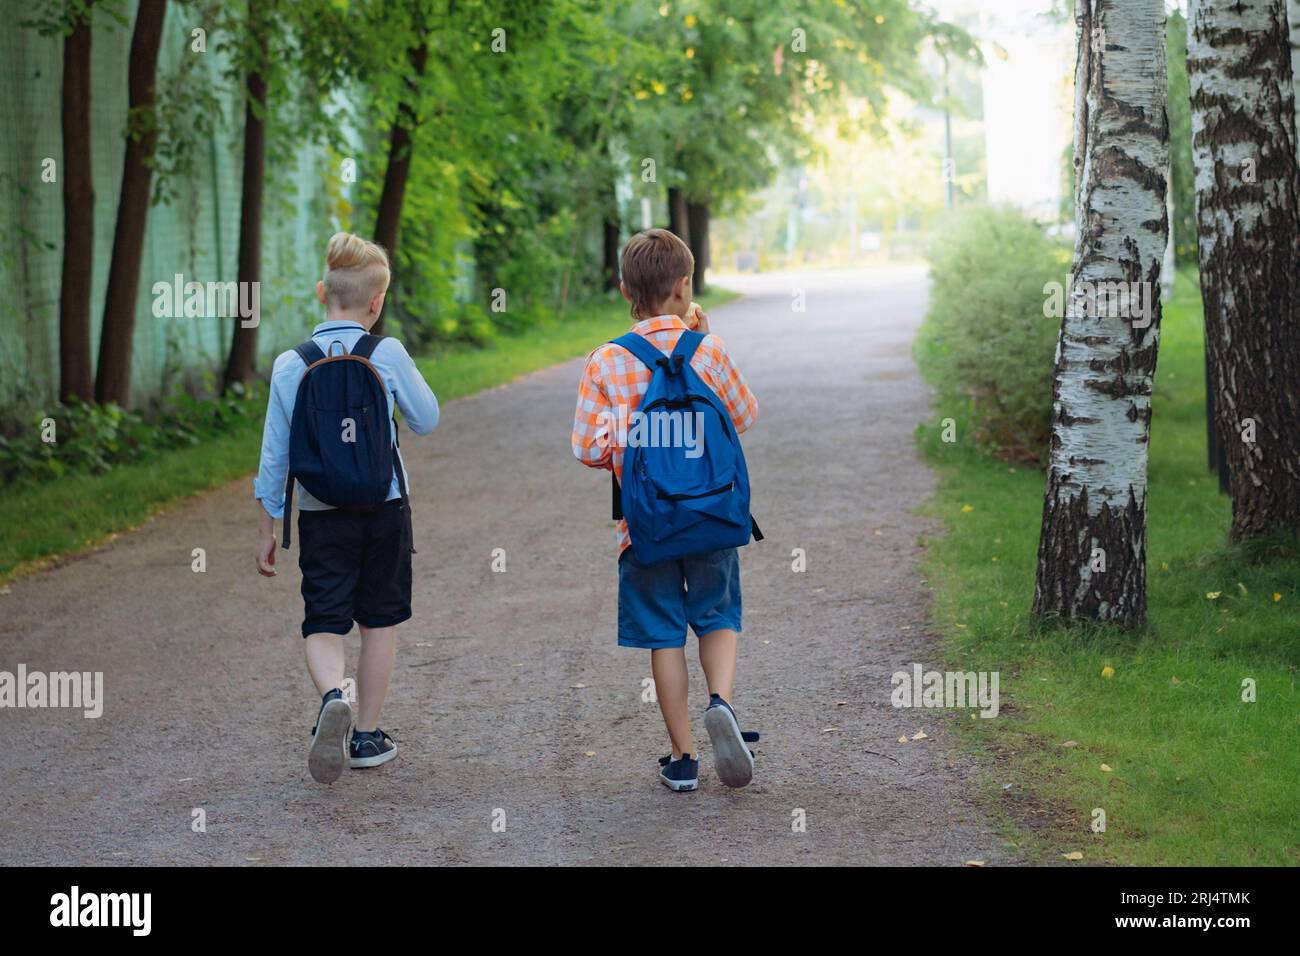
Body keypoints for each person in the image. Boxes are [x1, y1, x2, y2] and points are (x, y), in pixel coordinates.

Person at [571, 228, 761, 792]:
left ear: (627, 290)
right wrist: (703, 341)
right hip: (712, 517)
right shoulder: (711, 350)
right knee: (717, 613)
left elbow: (587, 447)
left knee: (663, 636)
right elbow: (744, 416)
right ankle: (721, 702)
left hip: (646, 527)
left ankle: (682, 758)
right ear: (685, 287)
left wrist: (628, 447)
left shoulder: (606, 361)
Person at [253, 232, 439, 784]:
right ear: (376, 302)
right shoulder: (387, 352)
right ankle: (366, 735)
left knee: (324, 618)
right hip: (384, 507)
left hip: (319, 511)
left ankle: (334, 695)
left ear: (321, 292)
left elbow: (274, 454)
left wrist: (268, 525)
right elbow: (427, 419)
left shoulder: (291, 363)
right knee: (379, 620)